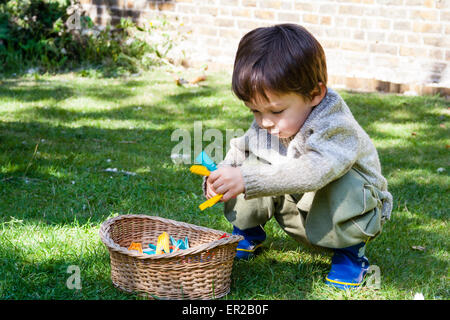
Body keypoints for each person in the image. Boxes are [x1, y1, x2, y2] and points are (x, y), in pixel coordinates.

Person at [202, 24, 393, 290]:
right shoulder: (269, 123)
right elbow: (240, 150)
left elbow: (314, 171)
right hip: (301, 213)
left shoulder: (335, 124)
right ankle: (247, 232)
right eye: (255, 111)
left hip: (350, 213)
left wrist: (247, 179)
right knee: (248, 163)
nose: (264, 121)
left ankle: (350, 254)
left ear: (314, 94)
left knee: (339, 179)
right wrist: (221, 176)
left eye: (276, 111)